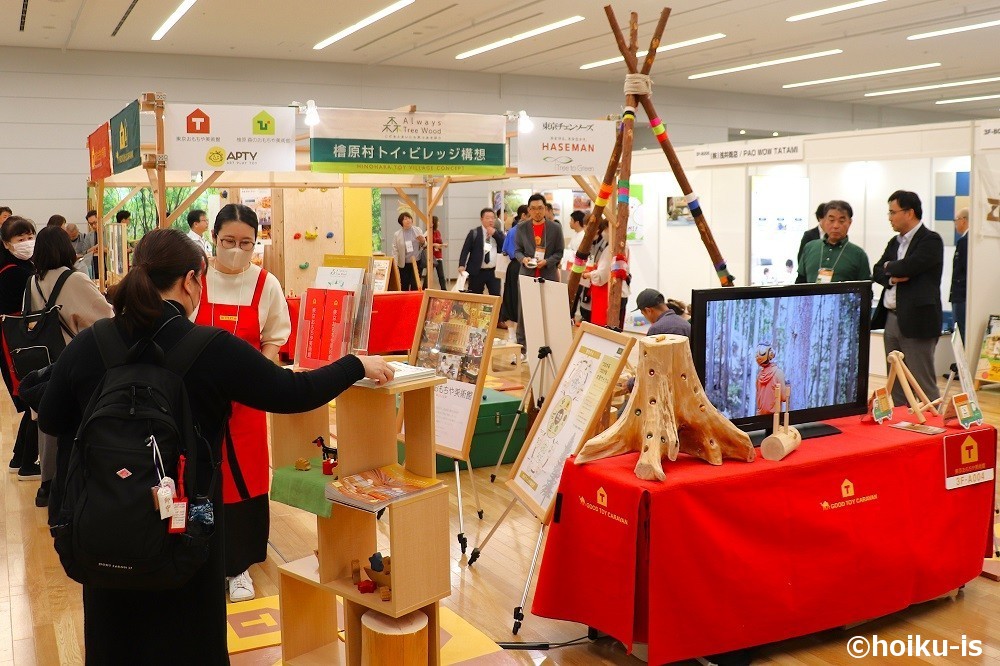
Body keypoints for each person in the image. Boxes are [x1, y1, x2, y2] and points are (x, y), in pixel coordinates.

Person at [37, 228, 393, 665]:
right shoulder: (210, 348)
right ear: (190, 281)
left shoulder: (94, 342)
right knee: (192, 639)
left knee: (115, 640)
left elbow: (52, 420)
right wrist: (356, 363)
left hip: (107, 523)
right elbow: (294, 393)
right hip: (190, 523)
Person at [195, 204, 291, 603]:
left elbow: (274, 337)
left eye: (246, 243)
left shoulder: (266, 283)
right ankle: (199, 560)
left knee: (244, 477)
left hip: (247, 401)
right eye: (228, 242)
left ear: (257, 242)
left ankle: (239, 566)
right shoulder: (194, 278)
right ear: (213, 239)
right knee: (198, 473)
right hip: (198, 396)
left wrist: (256, 375)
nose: (237, 249)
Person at [27, 226, 112, 507]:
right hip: (70, 362)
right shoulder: (75, 279)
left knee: (47, 424)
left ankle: (46, 485)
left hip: (41, 362)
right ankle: (70, 486)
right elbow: (105, 318)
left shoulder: (33, 282)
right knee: (74, 425)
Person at [872, 190, 943, 405]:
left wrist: (890, 267)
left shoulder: (930, 240)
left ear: (909, 212)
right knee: (895, 381)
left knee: (922, 381)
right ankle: (900, 429)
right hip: (892, 319)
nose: (890, 217)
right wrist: (892, 277)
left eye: (893, 212)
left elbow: (909, 266)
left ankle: (935, 428)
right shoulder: (895, 242)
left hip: (918, 320)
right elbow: (876, 271)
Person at [0, 216, 40, 480]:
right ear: (6, 243)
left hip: (20, 336)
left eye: (29, 237)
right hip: (13, 338)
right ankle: (27, 464)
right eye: (20, 239)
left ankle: (18, 458)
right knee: (33, 396)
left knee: (31, 400)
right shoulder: (11, 271)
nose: (27, 243)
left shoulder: (24, 264)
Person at [514, 195, 564, 351]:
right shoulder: (521, 228)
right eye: (533, 208)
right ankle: (522, 346)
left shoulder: (555, 228)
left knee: (548, 311)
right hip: (527, 275)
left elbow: (559, 252)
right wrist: (523, 260)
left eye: (540, 208)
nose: (537, 212)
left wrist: (547, 262)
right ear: (529, 210)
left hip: (548, 274)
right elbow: (517, 251)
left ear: (546, 209)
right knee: (524, 311)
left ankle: (550, 345)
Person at [796, 200, 871, 283]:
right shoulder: (809, 247)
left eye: (841, 221)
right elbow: (800, 282)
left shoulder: (859, 254)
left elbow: (866, 290)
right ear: (824, 221)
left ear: (849, 222)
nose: (836, 226)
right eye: (831, 220)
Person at [584, 219, 629, 326]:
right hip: (622, 292)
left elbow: (602, 275)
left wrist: (588, 275)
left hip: (609, 293)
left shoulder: (612, 249)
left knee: (607, 329)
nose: (603, 233)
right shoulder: (624, 245)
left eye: (604, 230)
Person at [458, 208, 504, 296]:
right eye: (487, 218)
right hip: (477, 271)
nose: (490, 220)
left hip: (493, 272)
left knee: (495, 297)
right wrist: (461, 264)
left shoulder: (498, 233)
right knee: (475, 297)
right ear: (481, 219)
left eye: (492, 218)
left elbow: (504, 245)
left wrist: (495, 234)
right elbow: (465, 249)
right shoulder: (474, 233)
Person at [499, 204, 527, 330]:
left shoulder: (512, 230)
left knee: (511, 297)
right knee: (517, 297)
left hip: (514, 266)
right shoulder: (523, 230)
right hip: (521, 266)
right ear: (524, 215)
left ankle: (513, 328)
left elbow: (504, 250)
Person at [392, 212, 425, 291]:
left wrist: (423, 241)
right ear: (401, 222)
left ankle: (414, 302)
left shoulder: (417, 230)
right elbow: (395, 250)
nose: (408, 220)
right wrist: (395, 265)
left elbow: (424, 245)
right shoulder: (397, 234)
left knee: (415, 285)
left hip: (416, 262)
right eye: (405, 219)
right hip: (403, 264)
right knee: (404, 285)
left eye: (409, 218)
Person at [950, 207, 969, 344]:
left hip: (962, 297)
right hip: (962, 297)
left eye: (956, 220)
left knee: (961, 336)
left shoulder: (965, 241)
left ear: (963, 220)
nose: (955, 224)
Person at [755, 343, 786, 415]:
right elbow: (784, 397)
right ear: (771, 355)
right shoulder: (778, 373)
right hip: (774, 418)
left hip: (760, 417)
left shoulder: (759, 376)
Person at [431, 215, 448, 289]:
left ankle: (444, 290)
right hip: (432, 256)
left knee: (441, 275)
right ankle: (424, 289)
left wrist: (443, 245)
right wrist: (435, 244)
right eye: (437, 221)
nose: (439, 223)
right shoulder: (429, 232)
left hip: (438, 256)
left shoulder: (438, 232)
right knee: (429, 275)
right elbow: (427, 244)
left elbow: (439, 242)